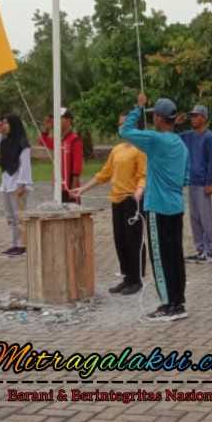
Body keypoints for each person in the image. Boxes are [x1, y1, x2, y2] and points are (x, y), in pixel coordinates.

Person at [119, 93, 191, 320]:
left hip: (159, 208)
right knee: (175, 255)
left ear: (160, 118)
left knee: (160, 256)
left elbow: (125, 131)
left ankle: (169, 304)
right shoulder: (181, 144)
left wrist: (138, 108)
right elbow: (186, 178)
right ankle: (178, 301)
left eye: (154, 116)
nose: (153, 120)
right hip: (176, 206)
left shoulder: (156, 140)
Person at [72, 125, 147, 295]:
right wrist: (83, 189)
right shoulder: (117, 149)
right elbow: (104, 173)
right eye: (119, 125)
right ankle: (127, 277)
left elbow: (144, 174)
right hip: (117, 200)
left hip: (132, 200)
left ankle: (137, 279)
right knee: (120, 240)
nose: (121, 128)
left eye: (125, 124)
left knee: (133, 240)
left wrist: (139, 191)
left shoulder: (140, 149)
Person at [0, 114, 33, 256]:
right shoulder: (5, 140)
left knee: (20, 216)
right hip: (7, 183)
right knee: (10, 217)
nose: (4, 126)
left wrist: (22, 184)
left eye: (6, 123)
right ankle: (15, 244)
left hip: (18, 184)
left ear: (14, 125)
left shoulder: (22, 143)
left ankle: (23, 245)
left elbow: (25, 165)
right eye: (3, 123)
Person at [180, 105, 212, 263]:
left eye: (196, 116)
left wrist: (209, 183)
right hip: (192, 182)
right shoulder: (189, 135)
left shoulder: (209, 137)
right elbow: (171, 136)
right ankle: (200, 249)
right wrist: (177, 123)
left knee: (205, 218)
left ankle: (209, 251)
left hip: (203, 183)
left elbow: (211, 162)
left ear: (204, 117)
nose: (193, 118)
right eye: (192, 116)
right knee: (194, 218)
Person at [40, 108, 84, 203]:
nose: (55, 121)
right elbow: (42, 142)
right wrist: (46, 129)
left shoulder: (75, 140)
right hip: (58, 185)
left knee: (72, 214)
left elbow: (77, 165)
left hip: (69, 186)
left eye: (59, 118)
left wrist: (73, 187)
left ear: (68, 120)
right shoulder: (59, 140)